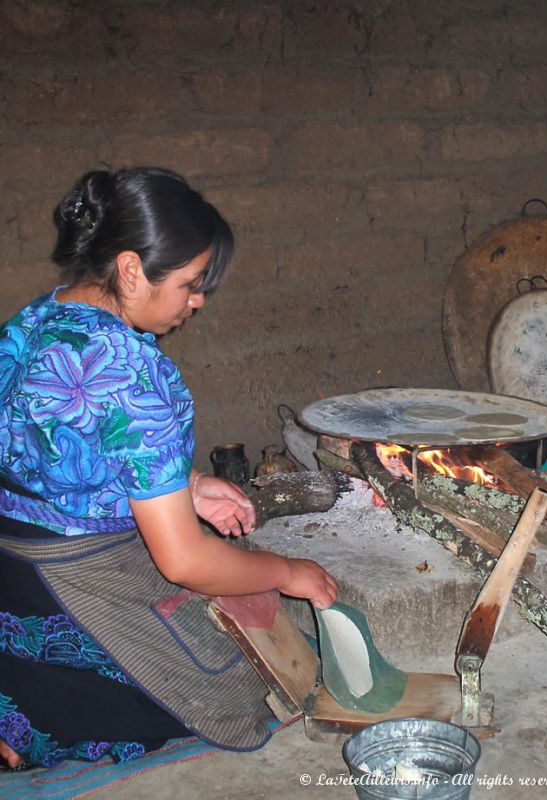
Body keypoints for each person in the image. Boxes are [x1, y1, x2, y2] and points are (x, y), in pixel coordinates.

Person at [0, 166, 337, 770]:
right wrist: (286, 571)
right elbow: (182, 560)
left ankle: (28, 692)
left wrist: (192, 484)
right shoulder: (135, 374)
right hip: (68, 579)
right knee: (242, 694)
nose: (198, 301)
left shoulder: (35, 321)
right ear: (131, 269)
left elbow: (61, 445)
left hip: (11, 562)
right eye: (188, 284)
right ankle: (34, 722)